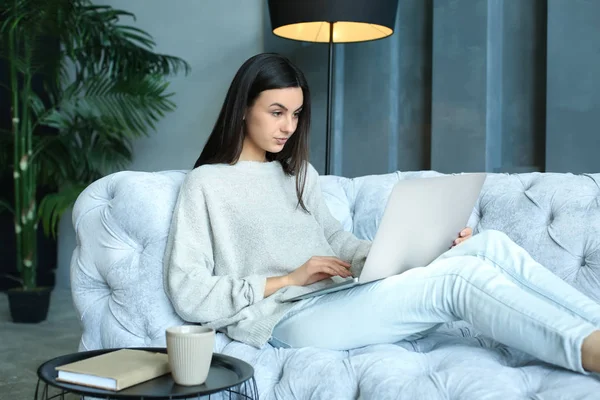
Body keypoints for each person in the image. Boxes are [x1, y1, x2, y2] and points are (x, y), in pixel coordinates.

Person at [163, 52, 600, 375]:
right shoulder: (207, 184)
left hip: (338, 297)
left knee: (490, 244)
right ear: (243, 109)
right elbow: (189, 291)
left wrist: (414, 250)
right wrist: (289, 278)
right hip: (289, 319)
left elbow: (338, 244)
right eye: (276, 113)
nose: (288, 127)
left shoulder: (298, 174)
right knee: (459, 281)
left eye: (296, 114)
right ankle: (588, 350)